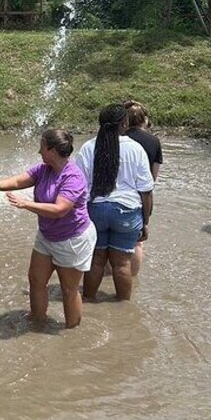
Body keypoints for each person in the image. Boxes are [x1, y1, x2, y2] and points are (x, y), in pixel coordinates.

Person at [0, 129, 96, 328]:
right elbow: (17, 181)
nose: (39, 151)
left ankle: (72, 332)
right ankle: (37, 321)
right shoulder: (43, 169)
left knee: (69, 289)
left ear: (52, 150)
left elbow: (59, 209)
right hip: (47, 236)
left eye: (42, 147)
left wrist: (26, 204)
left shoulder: (73, 177)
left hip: (72, 240)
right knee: (36, 280)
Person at [76, 104, 154, 301]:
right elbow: (146, 191)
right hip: (127, 212)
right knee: (121, 264)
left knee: (96, 261)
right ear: (124, 123)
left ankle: (88, 301)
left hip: (96, 210)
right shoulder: (136, 149)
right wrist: (145, 221)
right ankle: (124, 308)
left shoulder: (88, 147)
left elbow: (79, 188)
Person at [121, 100, 162, 277]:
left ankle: (110, 277)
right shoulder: (153, 141)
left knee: (107, 243)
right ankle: (132, 278)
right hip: (141, 196)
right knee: (137, 242)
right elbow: (153, 177)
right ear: (144, 119)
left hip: (114, 194)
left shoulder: (118, 139)